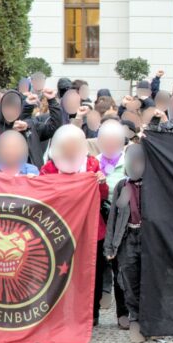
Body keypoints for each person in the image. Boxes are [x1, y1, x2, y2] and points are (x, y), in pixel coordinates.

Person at [40, 124, 111, 325]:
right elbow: (42, 196)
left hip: (90, 228)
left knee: (92, 270)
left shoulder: (91, 165)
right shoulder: (50, 167)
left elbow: (102, 196)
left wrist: (101, 182)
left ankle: (92, 313)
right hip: (59, 229)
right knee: (60, 271)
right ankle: (58, 310)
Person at [104, 143, 147, 343]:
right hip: (127, 237)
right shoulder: (123, 186)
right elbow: (114, 215)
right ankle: (135, 317)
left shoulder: (153, 185)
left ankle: (149, 318)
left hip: (148, 239)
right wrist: (110, 245)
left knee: (147, 279)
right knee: (129, 280)